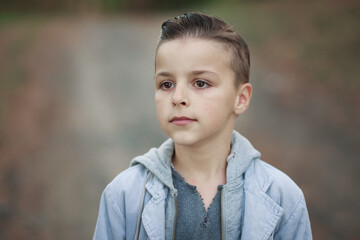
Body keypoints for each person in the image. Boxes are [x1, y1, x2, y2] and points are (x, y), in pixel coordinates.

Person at [93, 12, 312, 240]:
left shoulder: (283, 197)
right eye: (166, 84)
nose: (177, 97)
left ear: (241, 98)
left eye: (200, 83)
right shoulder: (123, 195)